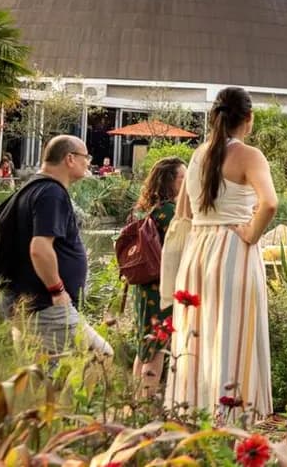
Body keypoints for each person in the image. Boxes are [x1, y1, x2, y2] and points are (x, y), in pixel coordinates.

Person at [166, 87, 278, 421]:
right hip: (232, 250)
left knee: (198, 336)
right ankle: (231, 423)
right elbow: (270, 203)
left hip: (197, 252)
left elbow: (183, 210)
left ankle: (193, 416)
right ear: (249, 118)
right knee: (231, 334)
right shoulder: (249, 155)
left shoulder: (199, 154)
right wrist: (251, 232)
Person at [0, 135, 111, 357]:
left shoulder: (31, 187)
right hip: (46, 304)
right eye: (85, 157)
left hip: (25, 301)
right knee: (101, 355)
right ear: (70, 158)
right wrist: (57, 291)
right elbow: (39, 248)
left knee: (40, 375)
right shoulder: (52, 193)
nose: (88, 162)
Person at [131, 156, 185, 396]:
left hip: (144, 285)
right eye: (183, 177)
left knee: (145, 345)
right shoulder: (170, 212)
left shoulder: (146, 209)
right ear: (170, 181)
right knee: (158, 348)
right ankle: (146, 403)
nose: (188, 182)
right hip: (160, 286)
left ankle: (134, 401)